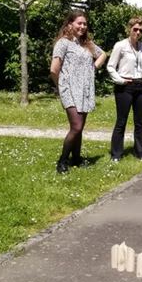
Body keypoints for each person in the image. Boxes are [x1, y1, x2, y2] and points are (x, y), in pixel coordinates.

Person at [50, 10, 106, 173]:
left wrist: (94, 67)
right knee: (76, 127)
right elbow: (54, 69)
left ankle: (76, 159)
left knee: (80, 128)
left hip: (85, 90)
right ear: (70, 24)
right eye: (79, 23)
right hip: (69, 90)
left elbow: (102, 54)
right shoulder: (63, 43)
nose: (82, 26)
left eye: (85, 23)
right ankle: (62, 161)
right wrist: (60, 88)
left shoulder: (86, 43)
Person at [107, 16, 142, 162]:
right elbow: (110, 66)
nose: (138, 32)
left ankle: (141, 152)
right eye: (135, 29)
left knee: (140, 121)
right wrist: (120, 80)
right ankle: (116, 154)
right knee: (121, 121)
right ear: (129, 29)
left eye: (141, 30)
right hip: (125, 87)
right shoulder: (120, 45)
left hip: (140, 86)